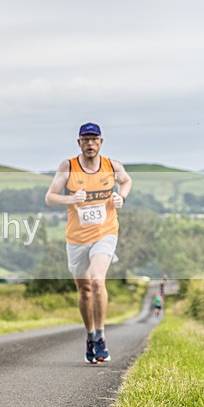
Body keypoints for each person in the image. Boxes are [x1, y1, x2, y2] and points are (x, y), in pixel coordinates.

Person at [45, 122, 132, 364]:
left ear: (101, 142)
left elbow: (126, 181)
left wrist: (120, 197)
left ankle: (101, 337)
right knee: (84, 291)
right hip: (76, 238)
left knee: (96, 280)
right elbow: (50, 197)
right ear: (79, 143)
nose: (90, 144)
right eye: (86, 140)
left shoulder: (112, 166)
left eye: (94, 139)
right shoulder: (68, 166)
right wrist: (71, 198)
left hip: (105, 232)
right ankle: (90, 335)